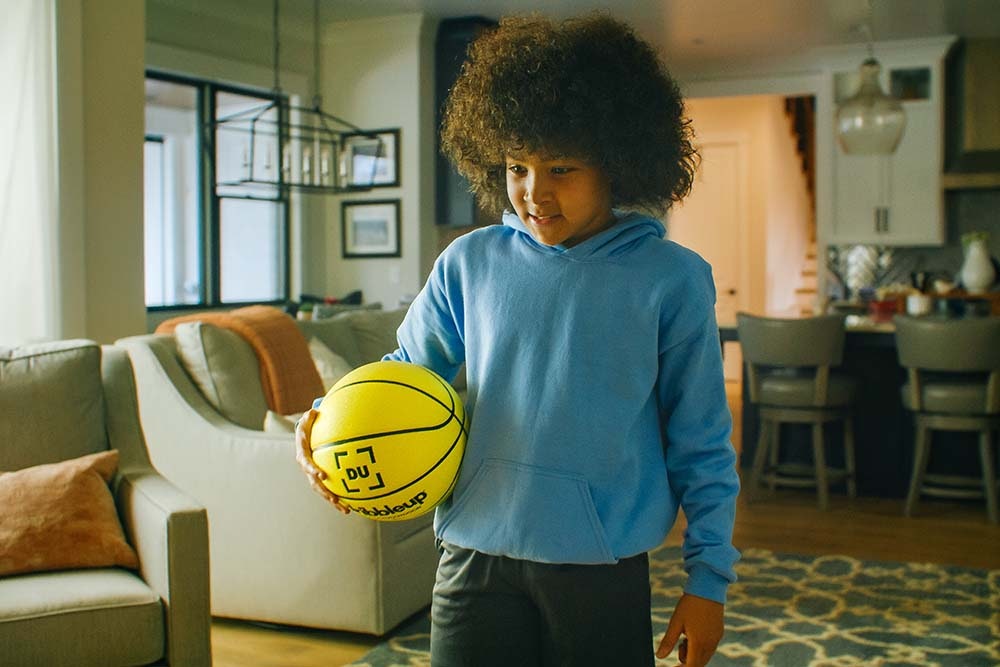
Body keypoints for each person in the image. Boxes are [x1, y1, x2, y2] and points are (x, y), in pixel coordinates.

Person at [296, 12, 739, 667]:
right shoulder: (467, 263)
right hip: (473, 555)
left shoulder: (671, 281)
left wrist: (708, 583)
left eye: (561, 167)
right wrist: (327, 428)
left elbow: (701, 442)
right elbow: (404, 370)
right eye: (517, 166)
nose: (535, 192)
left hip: (600, 564)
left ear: (616, 163)